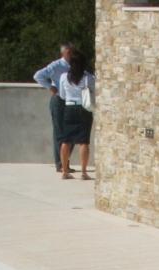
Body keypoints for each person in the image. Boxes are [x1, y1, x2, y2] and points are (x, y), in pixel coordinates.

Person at [33, 44, 74, 172]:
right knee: (60, 133)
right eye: (69, 52)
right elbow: (38, 75)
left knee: (72, 132)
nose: (72, 54)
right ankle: (60, 164)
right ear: (64, 53)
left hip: (71, 100)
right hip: (59, 100)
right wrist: (50, 87)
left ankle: (65, 161)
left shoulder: (75, 65)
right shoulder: (56, 65)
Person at [55, 50, 95, 180]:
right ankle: (84, 172)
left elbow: (62, 95)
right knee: (84, 142)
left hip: (69, 108)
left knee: (65, 140)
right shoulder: (88, 77)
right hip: (83, 108)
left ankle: (64, 171)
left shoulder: (63, 77)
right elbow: (93, 91)